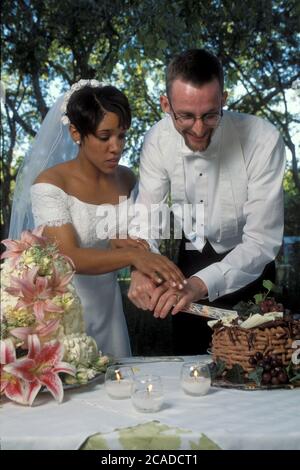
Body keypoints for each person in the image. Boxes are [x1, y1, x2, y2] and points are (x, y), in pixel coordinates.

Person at [9, 80, 185, 357]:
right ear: (76, 133)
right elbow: (68, 256)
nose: (116, 147)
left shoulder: (127, 178)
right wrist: (133, 257)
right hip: (66, 309)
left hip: (109, 307)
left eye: (122, 136)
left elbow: (137, 235)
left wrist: (146, 264)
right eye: (105, 137)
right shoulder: (50, 183)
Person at [128, 49, 286, 355]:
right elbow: (148, 217)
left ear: (224, 99)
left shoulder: (263, 139)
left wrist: (201, 284)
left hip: (250, 265)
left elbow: (262, 240)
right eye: (185, 116)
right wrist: (141, 266)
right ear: (166, 105)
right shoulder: (156, 141)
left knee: (256, 360)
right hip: (190, 258)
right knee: (191, 360)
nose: (199, 129)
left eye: (210, 114)